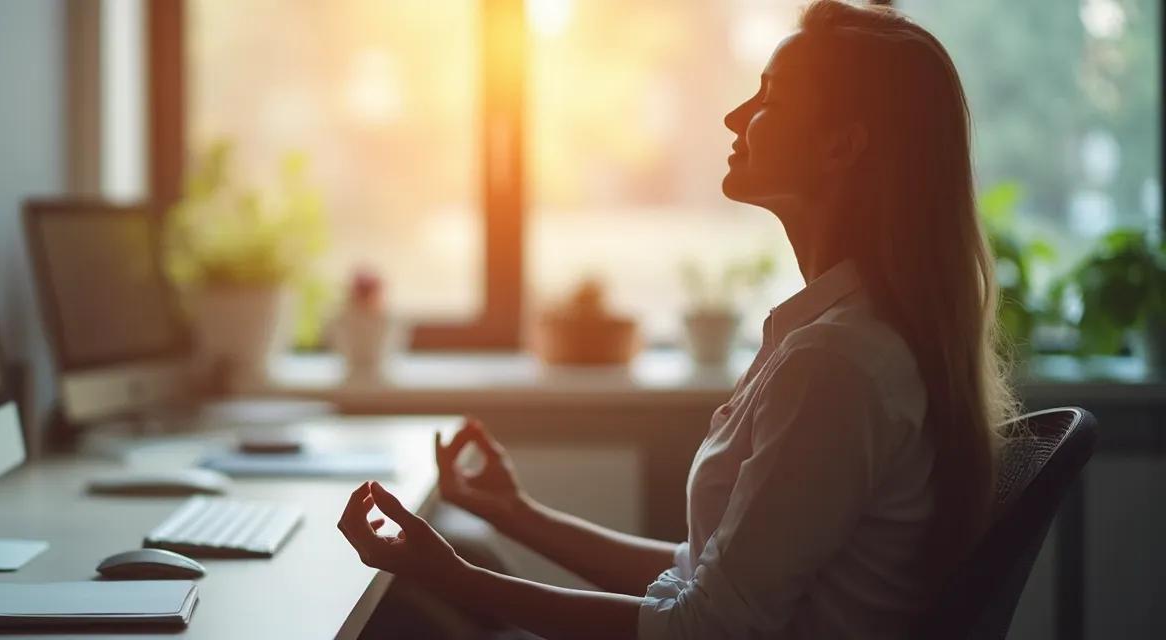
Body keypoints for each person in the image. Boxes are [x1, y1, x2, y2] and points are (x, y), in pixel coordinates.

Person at [337, 1, 1019, 637]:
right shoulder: (839, 340)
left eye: (769, 98)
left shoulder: (839, 364)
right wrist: (514, 514)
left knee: (406, 607)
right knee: (466, 547)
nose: (734, 118)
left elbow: (702, 628)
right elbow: (699, 576)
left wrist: (453, 579)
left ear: (841, 148)